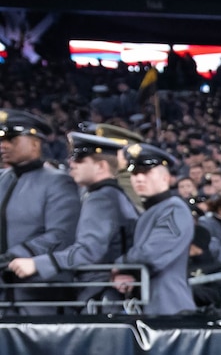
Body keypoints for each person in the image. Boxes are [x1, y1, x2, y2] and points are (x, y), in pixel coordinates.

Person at [5, 131, 135, 307]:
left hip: (100, 293)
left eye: (80, 159)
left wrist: (38, 263)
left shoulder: (101, 198)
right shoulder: (106, 194)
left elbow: (88, 252)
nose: (71, 163)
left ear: (101, 167)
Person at [0, 109, 81, 314]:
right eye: (1, 139)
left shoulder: (58, 181)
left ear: (35, 142)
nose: (3, 145)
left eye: (12, 139)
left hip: (41, 293)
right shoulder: (3, 179)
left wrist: (13, 256)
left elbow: (61, 234)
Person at [111, 144, 195, 316]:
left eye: (146, 172)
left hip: (170, 307)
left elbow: (151, 254)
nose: (139, 178)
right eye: (135, 173)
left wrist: (120, 265)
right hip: (153, 306)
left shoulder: (174, 208)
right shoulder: (152, 210)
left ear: (165, 178)